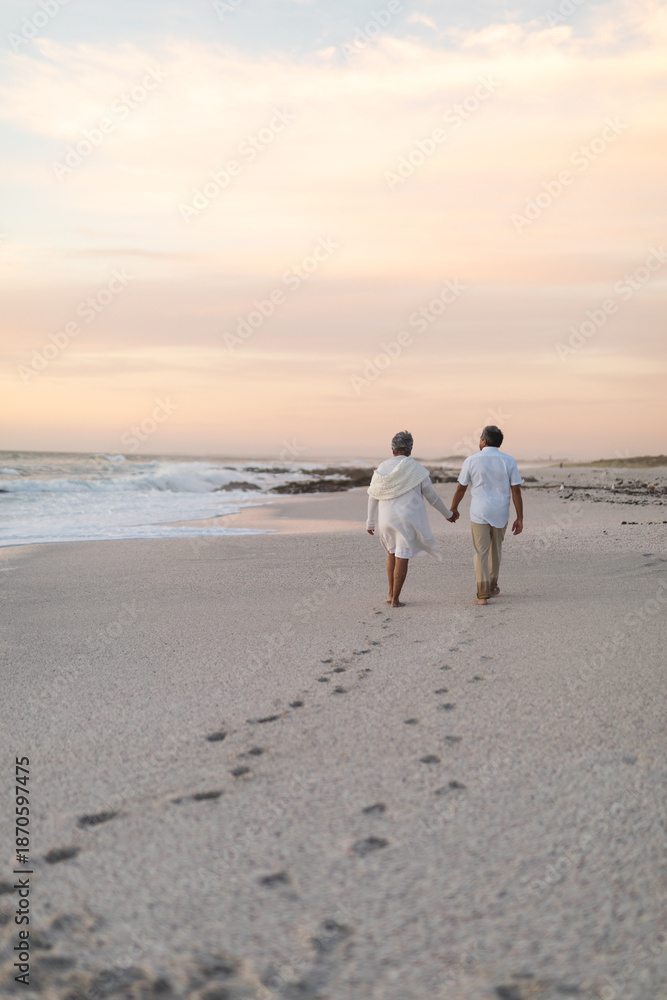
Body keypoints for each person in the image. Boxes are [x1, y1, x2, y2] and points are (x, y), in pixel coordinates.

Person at [367, 431, 457, 607]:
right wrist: (448, 514)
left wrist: (370, 521)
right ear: (410, 450)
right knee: (402, 556)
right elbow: (432, 498)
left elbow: (372, 496)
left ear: (392, 449)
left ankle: (389, 594)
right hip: (406, 519)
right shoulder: (417, 469)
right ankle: (395, 599)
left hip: (385, 518)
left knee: (391, 553)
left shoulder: (382, 467)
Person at [448, 425, 523, 605]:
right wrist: (520, 517)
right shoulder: (509, 460)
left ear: (483, 439)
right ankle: (492, 586)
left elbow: (461, 488)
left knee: (480, 552)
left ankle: (482, 596)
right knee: (495, 550)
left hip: (479, 512)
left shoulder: (472, 460)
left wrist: (454, 508)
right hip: (501, 511)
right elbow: (516, 491)